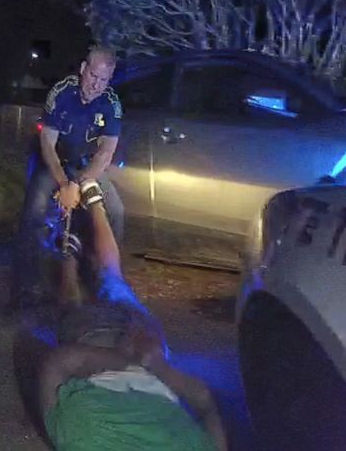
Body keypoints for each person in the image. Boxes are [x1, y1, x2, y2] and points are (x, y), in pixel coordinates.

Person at [38, 180, 227, 451]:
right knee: (89, 294)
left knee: (105, 285)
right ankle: (70, 243)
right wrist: (151, 364)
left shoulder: (83, 439)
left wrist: (137, 361)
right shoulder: (83, 438)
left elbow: (56, 364)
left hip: (120, 350)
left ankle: (83, 220)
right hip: (134, 352)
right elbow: (207, 403)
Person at [16, 45, 125, 306]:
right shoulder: (61, 93)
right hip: (56, 163)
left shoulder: (111, 103)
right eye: (93, 76)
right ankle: (26, 287)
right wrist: (64, 183)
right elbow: (47, 143)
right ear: (83, 69)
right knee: (34, 211)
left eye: (104, 80)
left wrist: (79, 183)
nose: (96, 85)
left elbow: (106, 152)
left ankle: (102, 280)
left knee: (116, 211)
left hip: (87, 167)